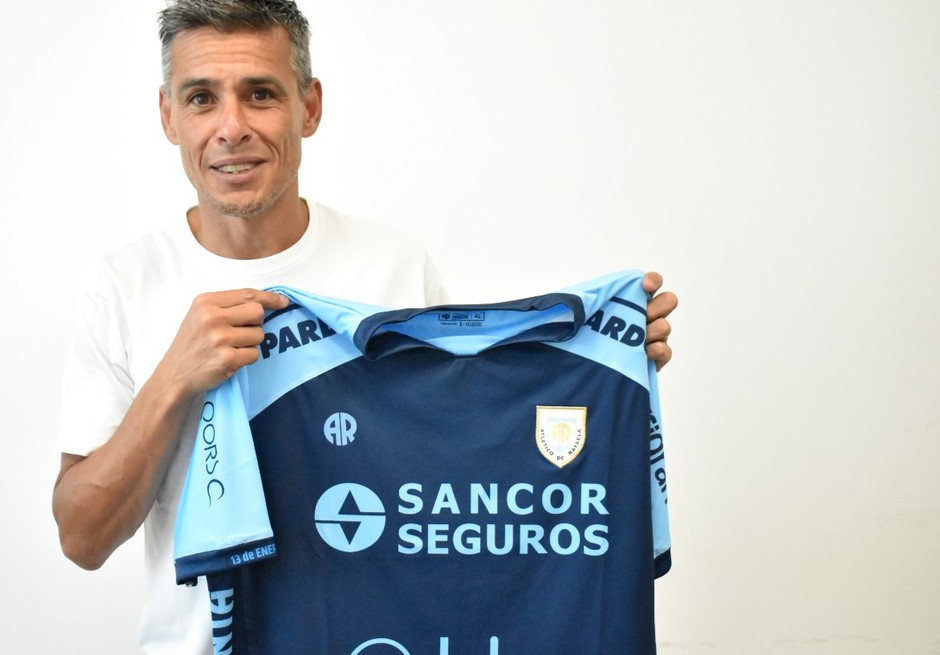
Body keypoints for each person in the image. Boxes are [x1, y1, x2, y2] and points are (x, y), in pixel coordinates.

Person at [51, 1, 679, 653]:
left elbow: (466, 472)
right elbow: (81, 538)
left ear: (309, 106)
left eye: (260, 94)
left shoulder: (394, 268)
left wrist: (599, 363)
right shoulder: (123, 283)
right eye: (202, 98)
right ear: (169, 116)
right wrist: (172, 379)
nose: (231, 127)